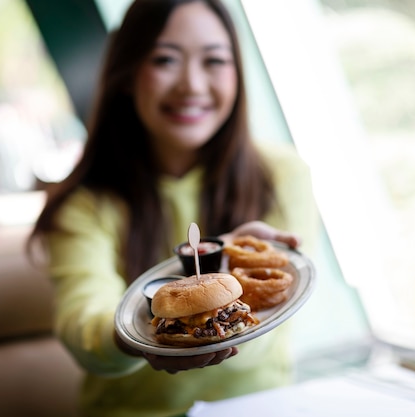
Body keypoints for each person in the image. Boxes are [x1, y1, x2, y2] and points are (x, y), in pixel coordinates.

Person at [28, 0, 320, 416]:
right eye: (166, 59)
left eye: (214, 61)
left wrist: (233, 271)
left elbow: (265, 340)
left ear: (237, 75)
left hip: (260, 404)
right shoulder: (83, 203)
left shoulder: (282, 174)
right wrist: (133, 339)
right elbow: (84, 328)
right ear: (127, 74)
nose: (192, 85)